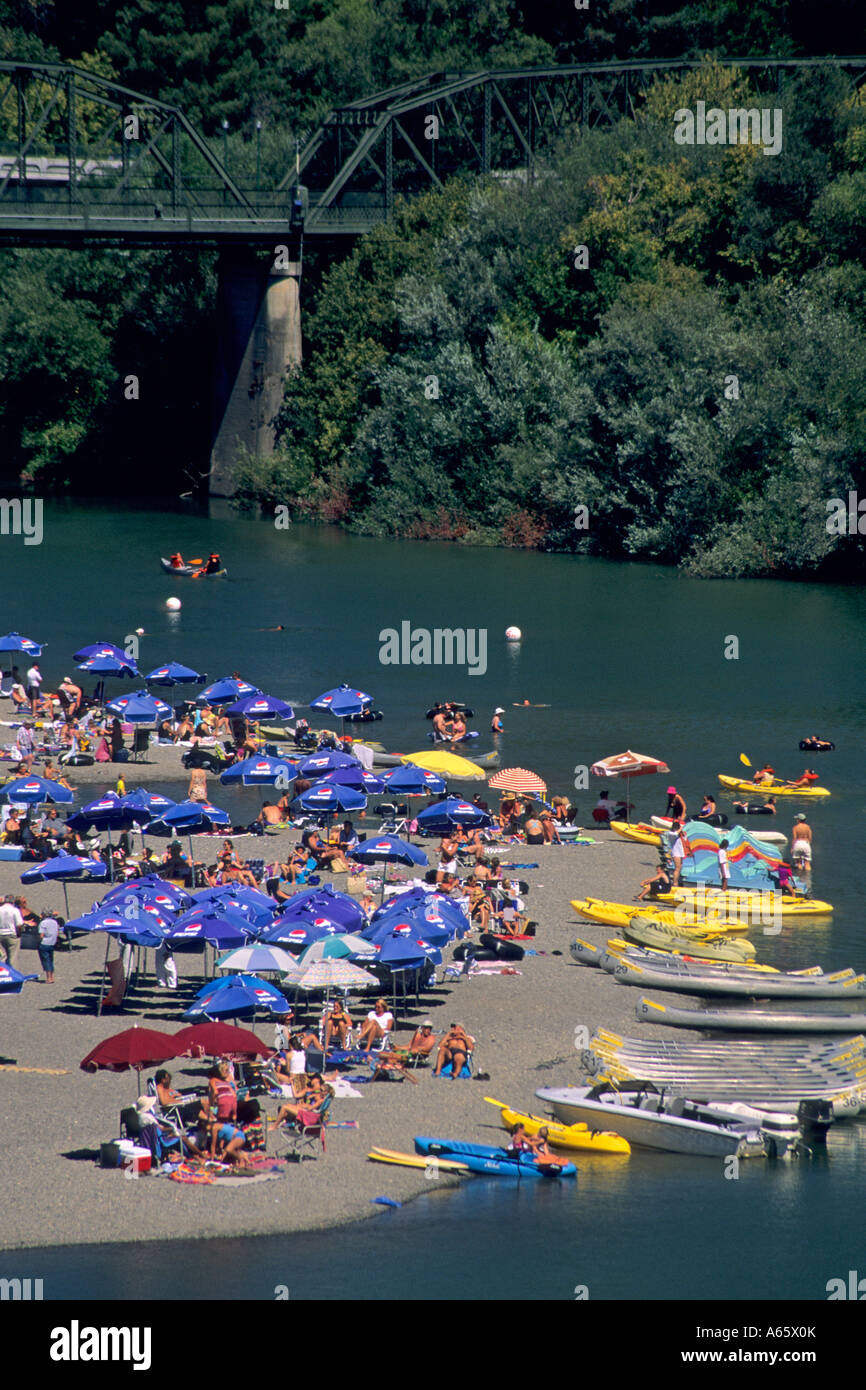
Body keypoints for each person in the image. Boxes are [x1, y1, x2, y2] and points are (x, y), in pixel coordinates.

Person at [0, 894, 23, 966]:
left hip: (1, 934)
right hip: (12, 935)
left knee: (2, 957)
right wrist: (19, 934)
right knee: (13, 958)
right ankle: (13, 975)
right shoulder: (15, 910)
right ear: (13, 902)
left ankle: (2, 974)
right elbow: (19, 925)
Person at [670, 823, 691, 888]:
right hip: (676, 853)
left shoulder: (678, 835)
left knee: (679, 868)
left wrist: (684, 835)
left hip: (680, 853)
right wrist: (680, 829)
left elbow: (684, 840)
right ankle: (675, 883)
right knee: (677, 869)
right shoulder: (671, 834)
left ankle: (677, 881)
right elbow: (675, 834)